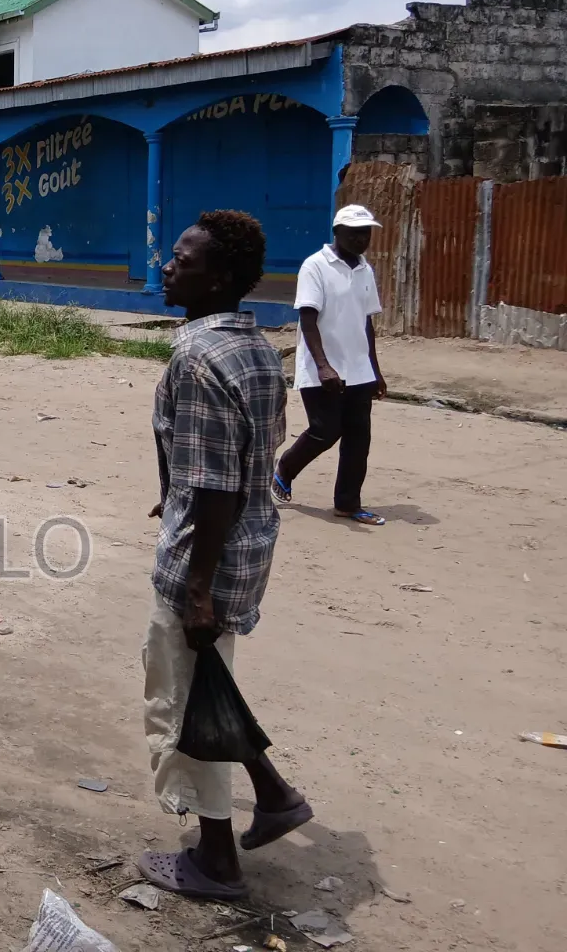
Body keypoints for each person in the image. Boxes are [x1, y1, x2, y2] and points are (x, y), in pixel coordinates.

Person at [136, 209, 312, 902]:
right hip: (243, 547)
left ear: (223, 278)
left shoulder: (197, 356)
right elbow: (235, 460)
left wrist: (197, 588)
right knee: (209, 681)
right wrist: (176, 494)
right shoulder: (255, 345)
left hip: (203, 563)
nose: (169, 266)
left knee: (182, 703)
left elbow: (214, 486)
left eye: (185, 259)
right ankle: (274, 795)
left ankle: (216, 861)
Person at [271, 205, 388, 525]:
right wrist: (323, 366)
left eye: (366, 233)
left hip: (358, 369)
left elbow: (367, 324)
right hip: (321, 367)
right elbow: (308, 320)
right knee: (325, 430)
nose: (362, 239)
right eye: (355, 233)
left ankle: (348, 504)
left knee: (358, 438)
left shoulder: (365, 270)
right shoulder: (315, 266)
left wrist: (375, 370)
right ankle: (285, 468)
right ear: (337, 233)